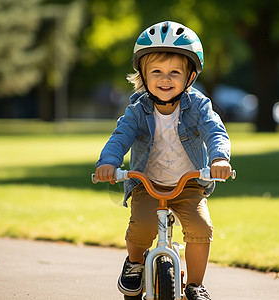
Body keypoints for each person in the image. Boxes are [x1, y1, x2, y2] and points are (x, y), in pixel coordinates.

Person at [94, 21, 232, 300]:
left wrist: (219, 157)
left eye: (174, 72)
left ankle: (195, 285)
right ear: (142, 76)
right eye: (156, 71)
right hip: (147, 183)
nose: (165, 79)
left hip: (189, 184)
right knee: (141, 227)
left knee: (200, 228)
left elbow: (215, 131)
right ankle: (134, 264)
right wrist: (108, 162)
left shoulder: (200, 106)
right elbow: (120, 137)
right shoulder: (137, 110)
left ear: (190, 77)